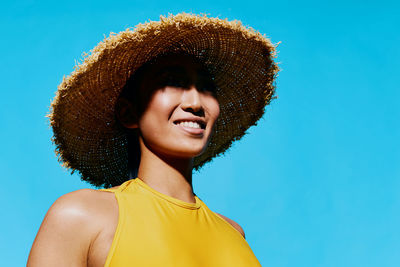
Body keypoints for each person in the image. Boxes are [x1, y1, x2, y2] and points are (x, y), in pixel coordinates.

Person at [27, 13, 279, 266]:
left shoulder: (233, 233)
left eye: (206, 88)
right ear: (129, 113)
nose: (195, 103)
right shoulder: (81, 216)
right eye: (171, 83)